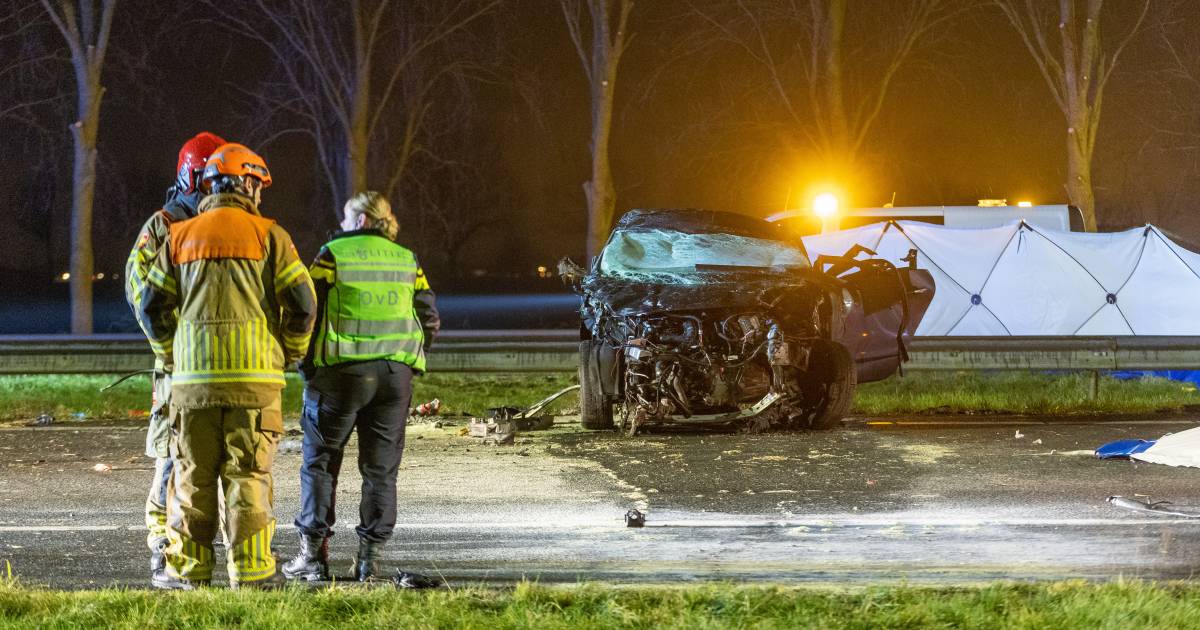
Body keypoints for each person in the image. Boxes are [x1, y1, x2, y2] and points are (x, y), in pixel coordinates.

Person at [138, 143, 317, 589]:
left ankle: (188, 573)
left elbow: (149, 304)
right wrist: (290, 352)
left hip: (192, 387)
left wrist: (169, 354)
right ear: (247, 184)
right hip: (254, 387)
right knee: (248, 478)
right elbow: (304, 305)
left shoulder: (179, 236)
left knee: (191, 479)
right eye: (258, 185)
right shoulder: (270, 235)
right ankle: (252, 574)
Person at [283, 191, 439, 582]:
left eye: (348, 217)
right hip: (393, 378)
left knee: (320, 463)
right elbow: (429, 318)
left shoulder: (333, 253)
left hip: (340, 375)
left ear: (363, 221)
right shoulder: (407, 259)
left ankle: (313, 558)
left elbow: (308, 309)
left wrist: (306, 364)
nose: (343, 224)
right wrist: (406, 361)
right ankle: (370, 561)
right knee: (381, 470)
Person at [124, 131, 226, 580]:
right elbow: (138, 291)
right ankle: (162, 540)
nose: (215, 189)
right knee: (171, 456)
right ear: (190, 178)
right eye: (208, 180)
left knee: (220, 458)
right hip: (176, 365)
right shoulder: (163, 225)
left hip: (216, 364)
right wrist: (168, 348)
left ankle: (215, 540)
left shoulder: (221, 224)